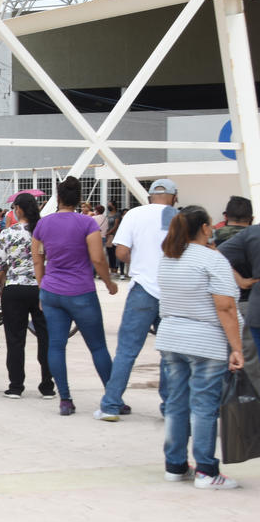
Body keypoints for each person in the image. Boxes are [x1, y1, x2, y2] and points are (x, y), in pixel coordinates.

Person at [155, 205, 244, 489]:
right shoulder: (212, 259)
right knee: (204, 407)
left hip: (171, 339)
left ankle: (175, 465)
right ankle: (206, 470)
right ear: (205, 228)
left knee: (176, 405)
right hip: (206, 343)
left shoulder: (167, 258)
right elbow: (226, 307)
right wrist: (237, 348)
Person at [32, 177, 117, 416]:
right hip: (81, 291)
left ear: (58, 198)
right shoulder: (86, 224)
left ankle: (65, 400)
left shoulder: (43, 225)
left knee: (56, 346)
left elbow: (37, 258)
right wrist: (109, 283)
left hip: (52, 291)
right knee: (98, 346)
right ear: (79, 199)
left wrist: (42, 287)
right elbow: (98, 258)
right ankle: (113, 398)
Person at [96, 179, 179, 421]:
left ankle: (111, 406)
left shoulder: (135, 214)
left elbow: (120, 252)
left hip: (142, 289)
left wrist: (142, 263)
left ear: (151, 195)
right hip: (171, 291)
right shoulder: (178, 217)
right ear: (174, 196)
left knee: (127, 351)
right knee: (170, 354)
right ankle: (170, 409)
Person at [0, 193, 54, 400]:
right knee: (45, 338)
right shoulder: (44, 231)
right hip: (41, 288)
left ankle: (16, 385)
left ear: (17, 209)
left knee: (15, 339)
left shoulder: (8, 233)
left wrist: (3, 284)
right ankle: (47, 386)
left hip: (14, 288)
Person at [215, 196, 260, 392]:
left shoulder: (212, 237)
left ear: (225, 216)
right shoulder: (251, 234)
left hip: (220, 306)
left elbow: (213, 258)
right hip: (247, 304)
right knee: (249, 361)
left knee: (221, 360)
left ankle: (225, 403)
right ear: (251, 217)